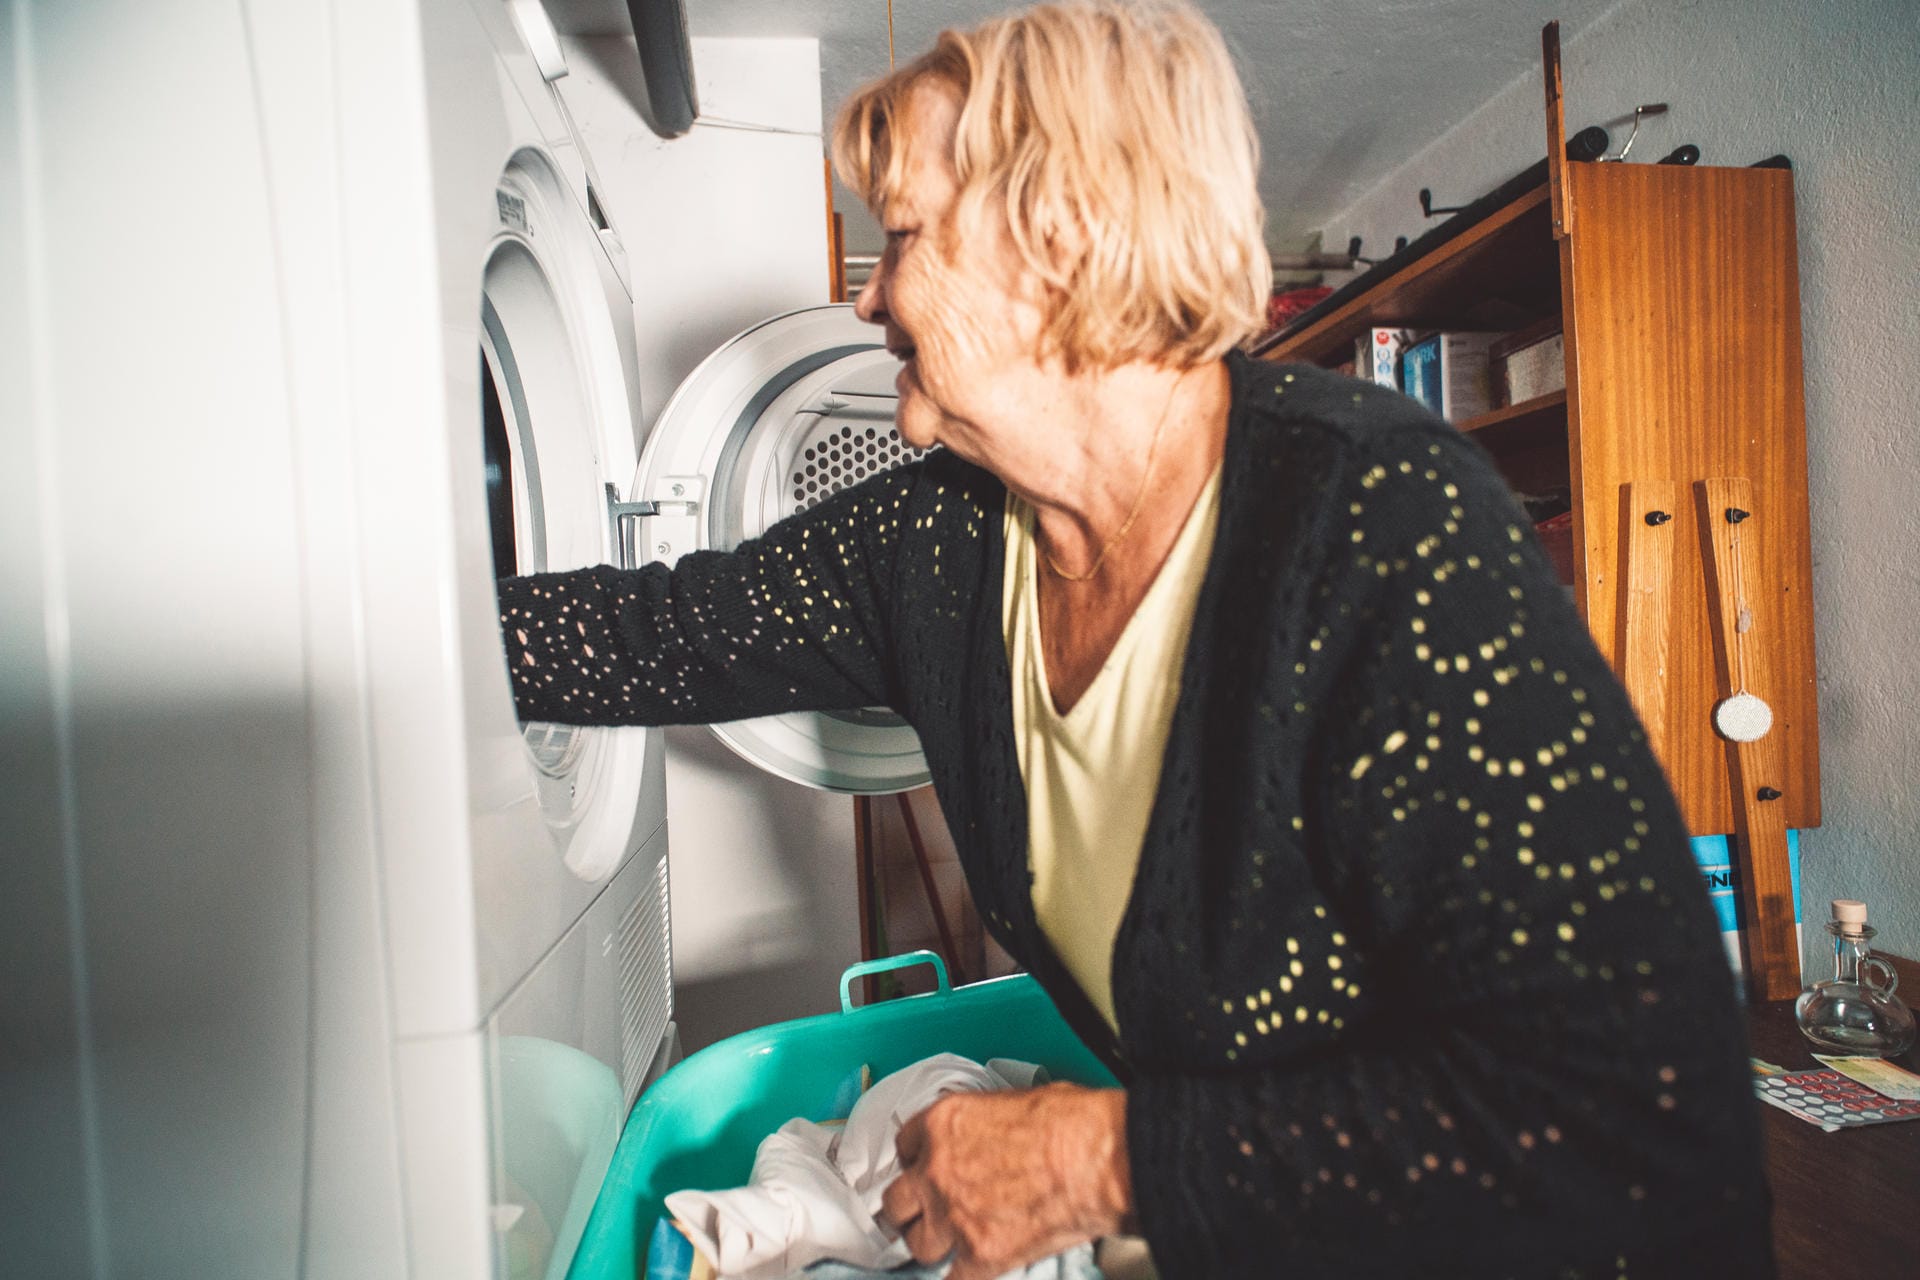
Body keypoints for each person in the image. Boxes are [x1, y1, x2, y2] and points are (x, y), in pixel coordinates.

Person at [495, 2, 1773, 1276]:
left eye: (901, 237)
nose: (872, 295)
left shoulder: (1376, 528)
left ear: (1063, 236)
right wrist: (359, 633)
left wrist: (1093, 1160)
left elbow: (1631, 1126)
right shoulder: (935, 541)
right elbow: (641, 635)